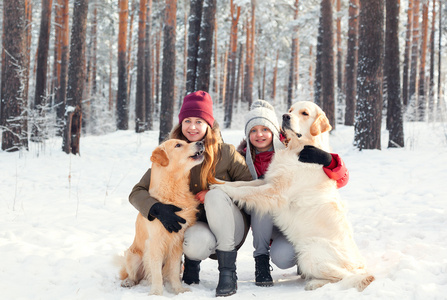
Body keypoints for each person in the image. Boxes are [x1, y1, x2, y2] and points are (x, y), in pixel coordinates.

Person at [128, 90, 253, 297]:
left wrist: (219, 190)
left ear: (208, 125)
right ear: (181, 124)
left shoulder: (226, 153)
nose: (192, 127)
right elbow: (137, 192)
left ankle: (228, 273)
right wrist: (156, 208)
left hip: (231, 228)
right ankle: (191, 266)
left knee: (214, 196)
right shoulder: (174, 152)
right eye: (187, 121)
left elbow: (250, 187)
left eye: (199, 121)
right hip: (199, 228)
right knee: (191, 241)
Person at [237, 99, 349, 287]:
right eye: (253, 130)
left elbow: (340, 180)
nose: (259, 134)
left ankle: (310, 262)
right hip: (266, 225)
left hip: (294, 224)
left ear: (274, 130)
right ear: (247, 134)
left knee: (284, 257)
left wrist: (329, 160)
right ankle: (261, 260)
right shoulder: (240, 158)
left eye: (265, 129)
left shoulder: (292, 148)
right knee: (261, 200)